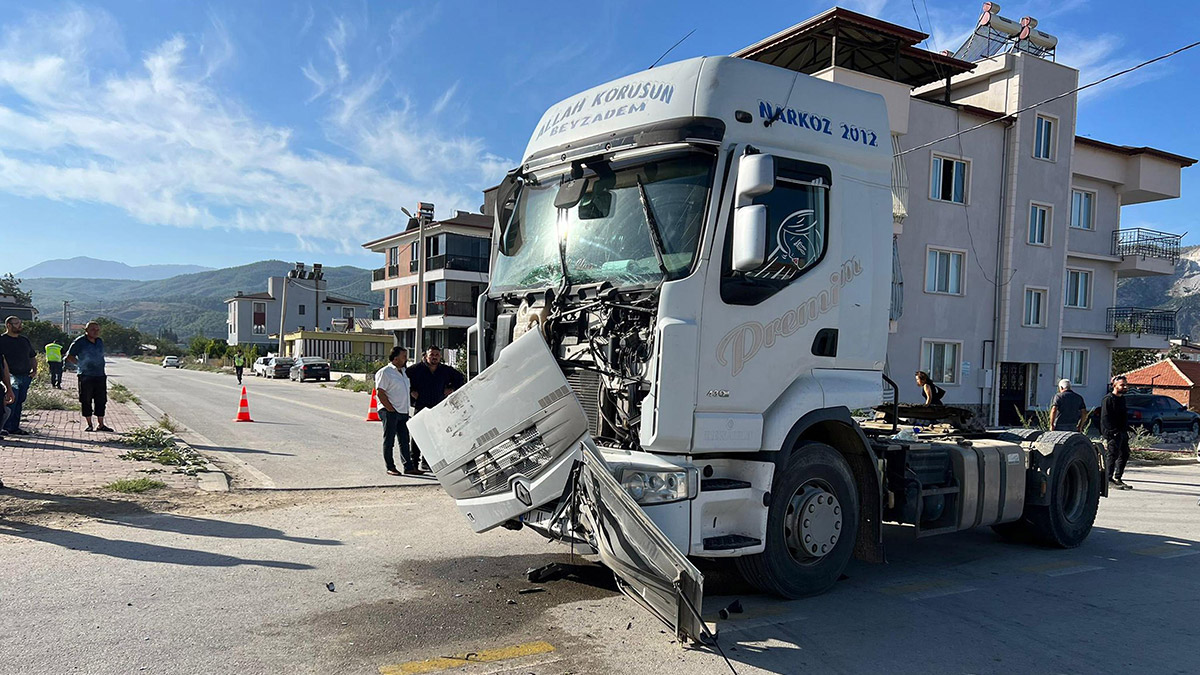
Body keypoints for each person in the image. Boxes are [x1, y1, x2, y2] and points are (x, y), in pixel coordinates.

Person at [407, 345, 465, 472]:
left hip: (438, 407)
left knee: (434, 436)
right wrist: (411, 391)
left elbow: (460, 379)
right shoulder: (416, 369)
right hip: (421, 406)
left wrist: (451, 390)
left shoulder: (445, 370)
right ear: (426, 356)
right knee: (418, 435)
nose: (434, 357)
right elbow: (404, 380)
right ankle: (414, 462)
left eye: (437, 355)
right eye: (432, 355)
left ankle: (427, 462)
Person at [374, 346, 416, 475]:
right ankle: (390, 466)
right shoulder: (385, 372)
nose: (406, 359)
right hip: (390, 411)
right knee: (389, 440)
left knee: (404, 440)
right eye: (404, 356)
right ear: (396, 358)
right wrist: (390, 409)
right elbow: (380, 392)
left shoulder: (403, 372)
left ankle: (408, 467)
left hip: (403, 411)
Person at [65, 321, 113, 433]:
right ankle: (89, 424)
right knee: (86, 400)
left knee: (101, 400)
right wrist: (81, 365)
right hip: (85, 375)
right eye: (93, 329)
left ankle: (101, 425)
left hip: (100, 375)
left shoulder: (99, 341)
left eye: (97, 330)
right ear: (86, 331)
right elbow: (69, 356)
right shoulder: (79, 341)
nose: (96, 332)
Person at [0, 316, 38, 435]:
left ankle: (14, 427)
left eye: (20, 323)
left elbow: (32, 356)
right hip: (10, 376)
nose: (20, 325)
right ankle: (4, 427)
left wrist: (34, 370)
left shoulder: (24, 340)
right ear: (8, 325)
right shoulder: (2, 340)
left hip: (25, 376)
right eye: (16, 323)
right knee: (11, 401)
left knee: (20, 402)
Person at [1100, 375, 1133, 490]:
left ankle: (1118, 478)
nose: (1124, 387)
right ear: (1115, 386)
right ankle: (1108, 479)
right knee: (1112, 455)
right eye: (1122, 385)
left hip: (1122, 432)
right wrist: (1111, 432)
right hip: (1112, 433)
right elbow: (1105, 418)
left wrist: (1127, 429)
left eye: (1125, 385)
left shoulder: (1122, 399)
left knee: (1124, 454)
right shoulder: (1108, 399)